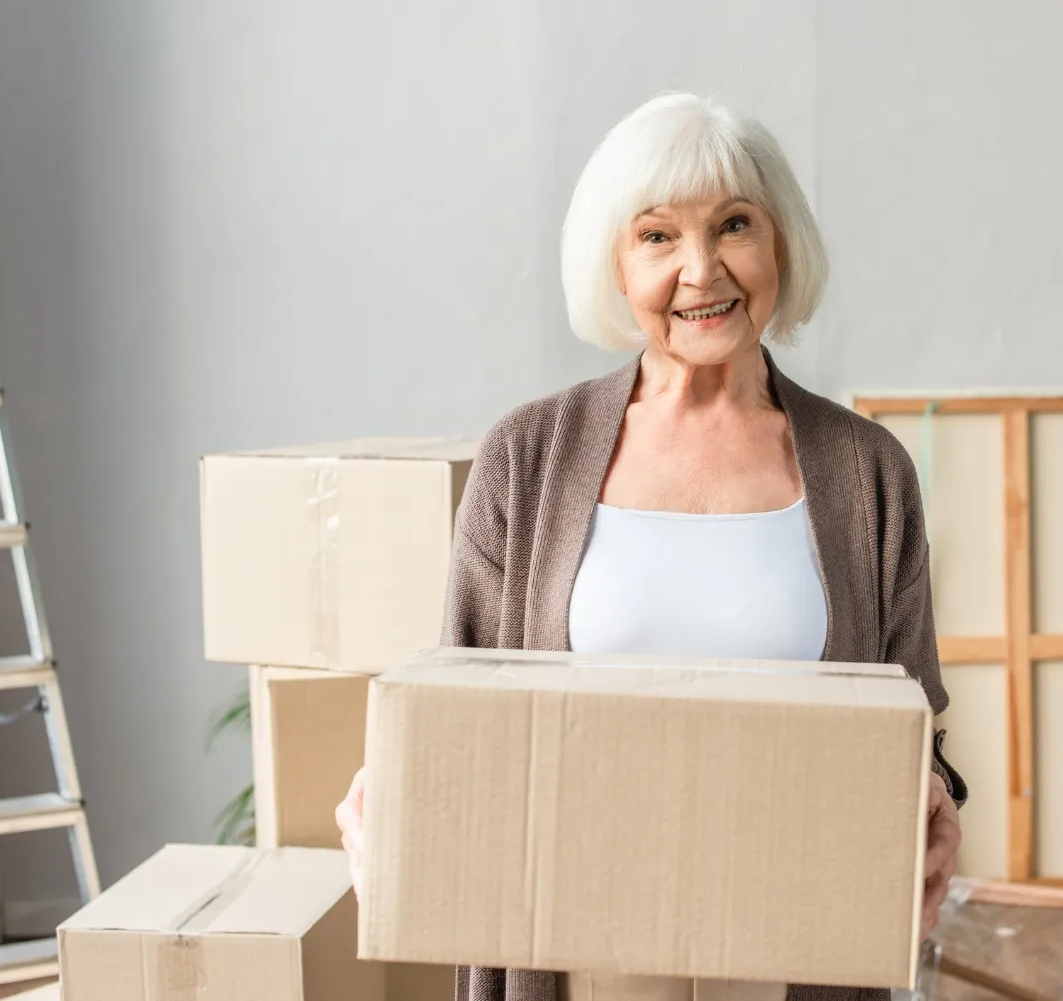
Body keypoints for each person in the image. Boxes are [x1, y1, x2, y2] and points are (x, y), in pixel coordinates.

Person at [336, 91, 966, 1001]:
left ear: (780, 241)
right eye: (658, 236)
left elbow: (914, 718)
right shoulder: (528, 456)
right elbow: (459, 700)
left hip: (798, 946)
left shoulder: (868, 472)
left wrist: (936, 796)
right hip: (579, 945)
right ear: (615, 263)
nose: (702, 270)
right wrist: (395, 793)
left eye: (734, 225)